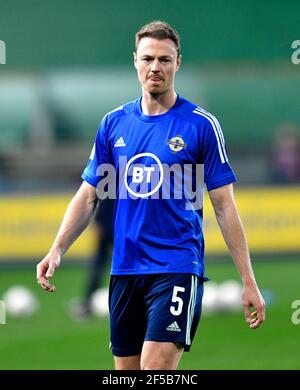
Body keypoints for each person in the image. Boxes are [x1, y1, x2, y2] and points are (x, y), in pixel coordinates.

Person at [37, 21, 265, 370]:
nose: (155, 67)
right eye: (147, 58)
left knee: (155, 370)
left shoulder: (201, 125)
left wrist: (248, 281)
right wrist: (56, 249)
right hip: (125, 269)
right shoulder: (113, 124)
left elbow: (224, 206)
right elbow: (88, 195)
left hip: (176, 265)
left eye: (164, 59)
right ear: (135, 61)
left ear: (178, 63)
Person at [69, 198, 114, 320]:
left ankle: (87, 303)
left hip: (113, 227)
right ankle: (88, 303)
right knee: (100, 265)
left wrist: (99, 222)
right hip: (115, 227)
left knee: (100, 265)